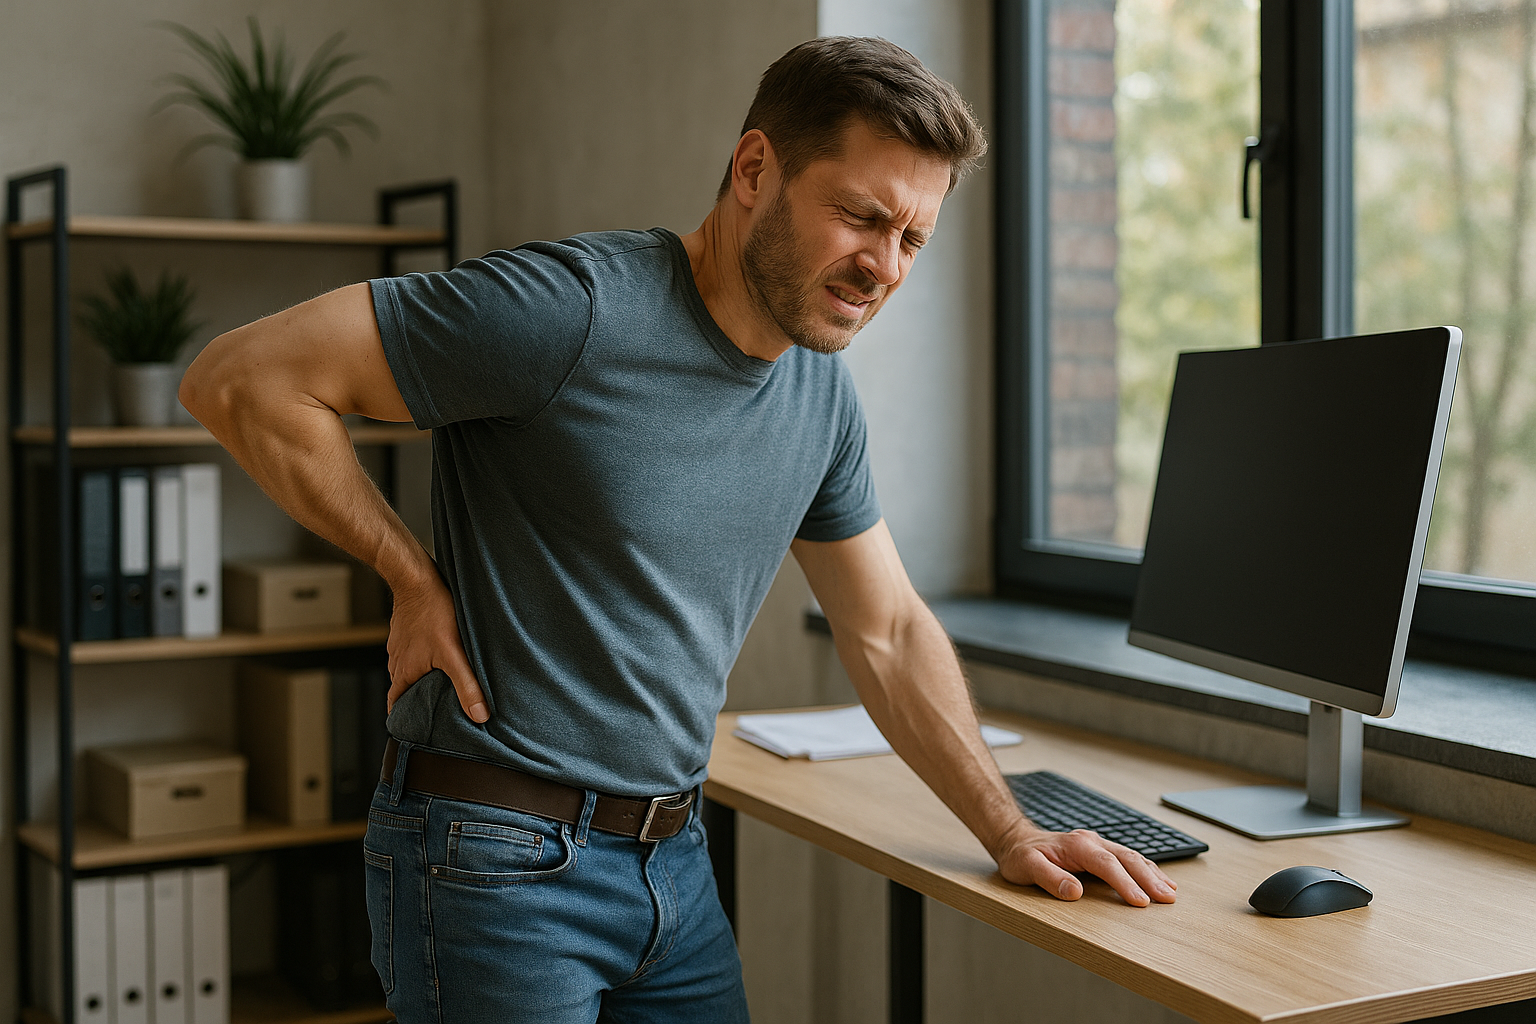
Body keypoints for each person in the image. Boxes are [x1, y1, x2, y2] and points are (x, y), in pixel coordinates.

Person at [182, 35, 1176, 1024]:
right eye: (862, 218)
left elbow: (888, 631)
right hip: (491, 857)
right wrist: (406, 573)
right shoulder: (571, 309)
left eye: (912, 240)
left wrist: (1010, 828)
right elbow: (242, 379)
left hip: (673, 865)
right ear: (756, 170)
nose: (884, 266)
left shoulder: (820, 396)